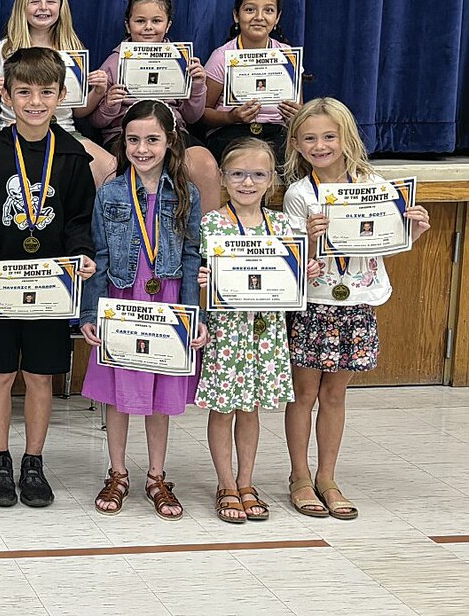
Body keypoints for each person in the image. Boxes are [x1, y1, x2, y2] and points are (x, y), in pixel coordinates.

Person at [281, 98, 430, 520]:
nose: (320, 145)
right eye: (309, 138)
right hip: (314, 304)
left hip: (357, 304)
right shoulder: (299, 194)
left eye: (329, 136)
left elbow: (383, 247)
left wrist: (412, 231)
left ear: (346, 138)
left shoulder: (375, 185)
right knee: (304, 393)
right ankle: (299, 476)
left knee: (335, 393)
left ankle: (328, 477)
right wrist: (310, 238)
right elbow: (293, 261)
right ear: (296, 143)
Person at [0, 47, 96, 509]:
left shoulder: (74, 155)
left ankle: (33, 461)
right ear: (6, 94)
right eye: (24, 92)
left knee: (41, 377)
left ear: (63, 94)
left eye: (46, 92)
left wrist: (81, 254)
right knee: (0, 375)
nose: (35, 101)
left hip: (51, 289)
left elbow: (81, 220)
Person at [79, 101, 209, 520]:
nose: (142, 148)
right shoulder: (111, 192)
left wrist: (196, 316)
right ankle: (117, 472)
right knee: (119, 394)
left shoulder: (187, 192)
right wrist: (89, 314)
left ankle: (156, 476)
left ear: (170, 141)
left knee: (158, 394)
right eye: (133, 139)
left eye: (152, 139)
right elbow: (98, 256)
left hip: (167, 300)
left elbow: (192, 256)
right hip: (121, 300)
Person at [196, 137, 322, 523]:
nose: (247, 182)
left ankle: (246, 481)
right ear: (222, 177)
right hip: (227, 332)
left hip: (265, 333)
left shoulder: (283, 225)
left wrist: (307, 271)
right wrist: (204, 282)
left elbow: (293, 279)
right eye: (237, 174)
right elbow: (200, 284)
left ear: (272, 179)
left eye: (257, 175)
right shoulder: (212, 223)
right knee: (223, 408)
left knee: (250, 409)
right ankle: (225, 484)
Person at [0, 0, 115, 184]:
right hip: (13, 130)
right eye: (34, 1)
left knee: (109, 168)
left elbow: (79, 110)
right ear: (23, 6)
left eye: (51, 1)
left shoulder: (73, 51)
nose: (43, 7)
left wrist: (98, 92)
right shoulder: (5, 49)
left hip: (64, 131)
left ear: (61, 7)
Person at [92, 0, 220, 211]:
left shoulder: (182, 62)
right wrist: (109, 105)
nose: (148, 27)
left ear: (168, 25)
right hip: (123, 138)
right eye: (140, 21)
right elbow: (96, 122)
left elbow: (192, 116)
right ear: (128, 24)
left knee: (205, 163)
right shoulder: (114, 62)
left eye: (156, 21)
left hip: (173, 135)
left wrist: (198, 86)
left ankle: (208, 239)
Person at [201, 0, 303, 161]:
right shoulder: (221, 57)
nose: (259, 17)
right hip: (231, 132)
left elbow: (298, 108)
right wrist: (230, 117)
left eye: (269, 10)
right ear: (236, 15)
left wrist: (296, 114)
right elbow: (202, 113)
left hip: (277, 132)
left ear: (277, 18)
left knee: (295, 157)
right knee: (247, 160)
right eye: (250, 10)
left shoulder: (288, 55)